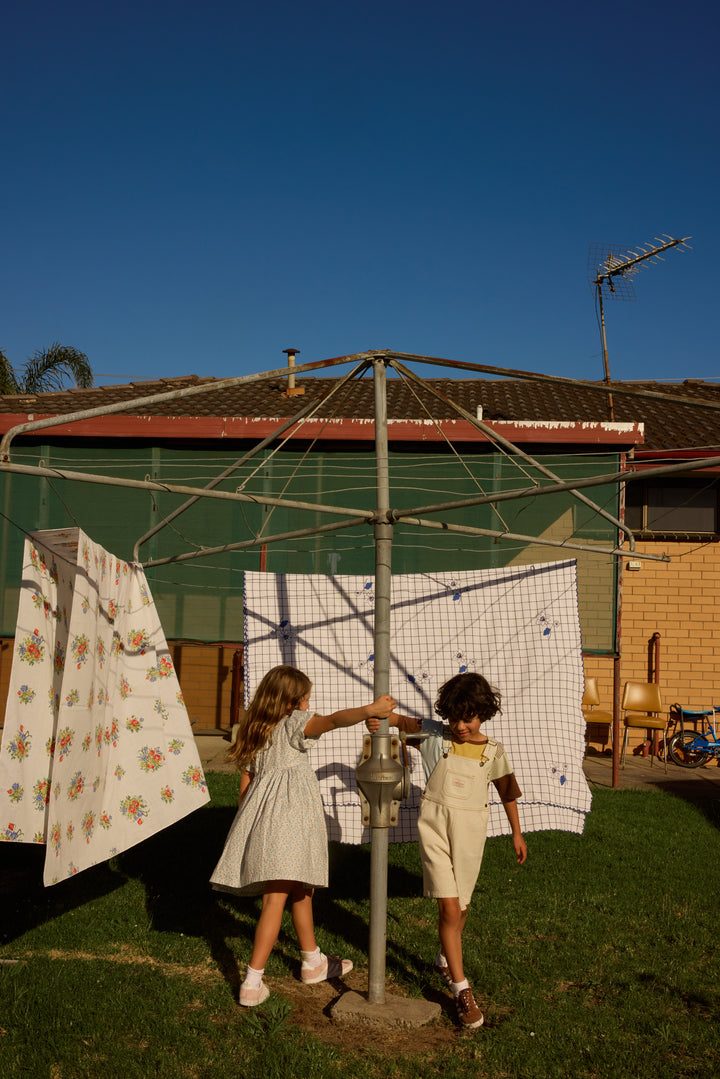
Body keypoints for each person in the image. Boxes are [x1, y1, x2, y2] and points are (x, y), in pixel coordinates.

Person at [210, 664, 396, 1007]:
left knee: (302, 888)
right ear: (292, 701)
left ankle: (312, 961)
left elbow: (246, 783)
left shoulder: (254, 729)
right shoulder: (295, 722)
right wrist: (370, 711)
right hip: (291, 820)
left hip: (263, 819)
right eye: (306, 699)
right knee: (275, 897)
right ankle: (252, 981)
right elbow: (334, 721)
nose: (309, 705)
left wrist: (244, 823)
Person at [398, 671, 527, 1030]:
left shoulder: (493, 752)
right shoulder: (433, 738)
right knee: (450, 908)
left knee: (462, 906)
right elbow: (394, 719)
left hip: (471, 835)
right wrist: (382, 714)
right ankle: (461, 988)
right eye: (453, 718)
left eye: (467, 718)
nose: (460, 726)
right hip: (435, 830)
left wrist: (517, 833)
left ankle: (443, 955)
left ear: (483, 714)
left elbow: (508, 792)